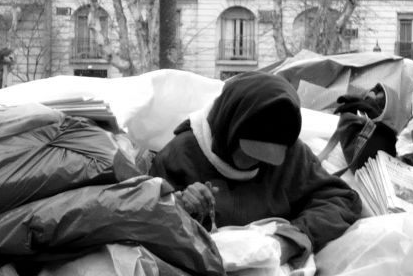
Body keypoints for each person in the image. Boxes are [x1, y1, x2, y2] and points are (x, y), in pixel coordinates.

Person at [150, 71, 362, 263]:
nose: (255, 161)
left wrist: (293, 237)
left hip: (273, 268)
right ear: (228, 126)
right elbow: (149, 224)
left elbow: (340, 200)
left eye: (267, 155)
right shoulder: (179, 156)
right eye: (249, 149)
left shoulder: (291, 154)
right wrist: (183, 207)